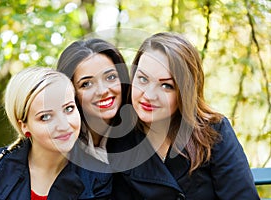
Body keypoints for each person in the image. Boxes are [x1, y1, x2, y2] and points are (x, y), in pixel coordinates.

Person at [109, 32, 260, 199]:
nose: (149, 95)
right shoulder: (120, 137)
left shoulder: (214, 132)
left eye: (166, 86)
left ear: (185, 92)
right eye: (143, 79)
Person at [0, 67, 84, 199]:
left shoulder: (99, 174)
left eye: (69, 109)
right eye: (45, 117)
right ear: (24, 126)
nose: (63, 125)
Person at [57, 38, 131, 199]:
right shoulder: (58, 147)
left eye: (110, 77)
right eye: (86, 84)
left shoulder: (140, 136)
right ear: (71, 92)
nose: (103, 91)